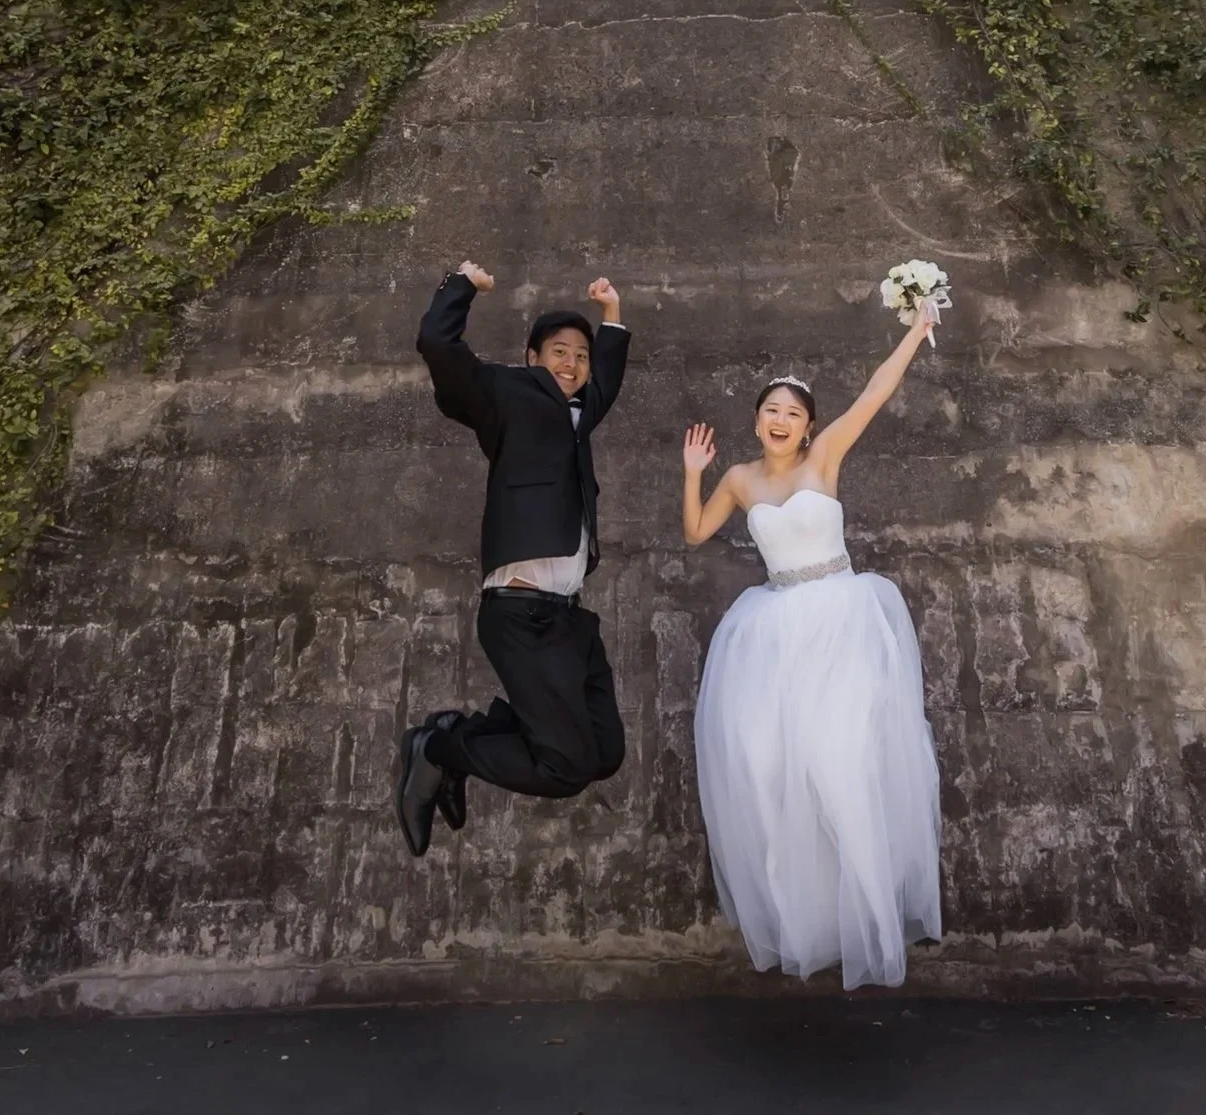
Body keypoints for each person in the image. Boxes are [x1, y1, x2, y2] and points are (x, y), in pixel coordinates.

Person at [680, 298, 944, 988]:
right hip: (775, 626)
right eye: (772, 409)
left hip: (841, 615)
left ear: (808, 426)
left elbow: (876, 390)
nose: (780, 420)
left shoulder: (825, 456)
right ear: (758, 418)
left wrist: (915, 331)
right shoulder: (740, 478)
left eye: (793, 412)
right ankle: (803, 918)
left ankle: (870, 915)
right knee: (765, 764)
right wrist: (691, 470)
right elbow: (696, 532)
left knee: (837, 760)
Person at [396, 260, 631, 856]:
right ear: (532, 360)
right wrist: (461, 286)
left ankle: (461, 735)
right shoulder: (505, 396)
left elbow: (605, 376)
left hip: (568, 618)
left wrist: (612, 315)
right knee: (564, 766)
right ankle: (439, 751)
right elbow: (437, 345)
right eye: (558, 352)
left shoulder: (581, 416)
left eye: (579, 355)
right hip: (521, 612)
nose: (572, 363)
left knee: (603, 753)